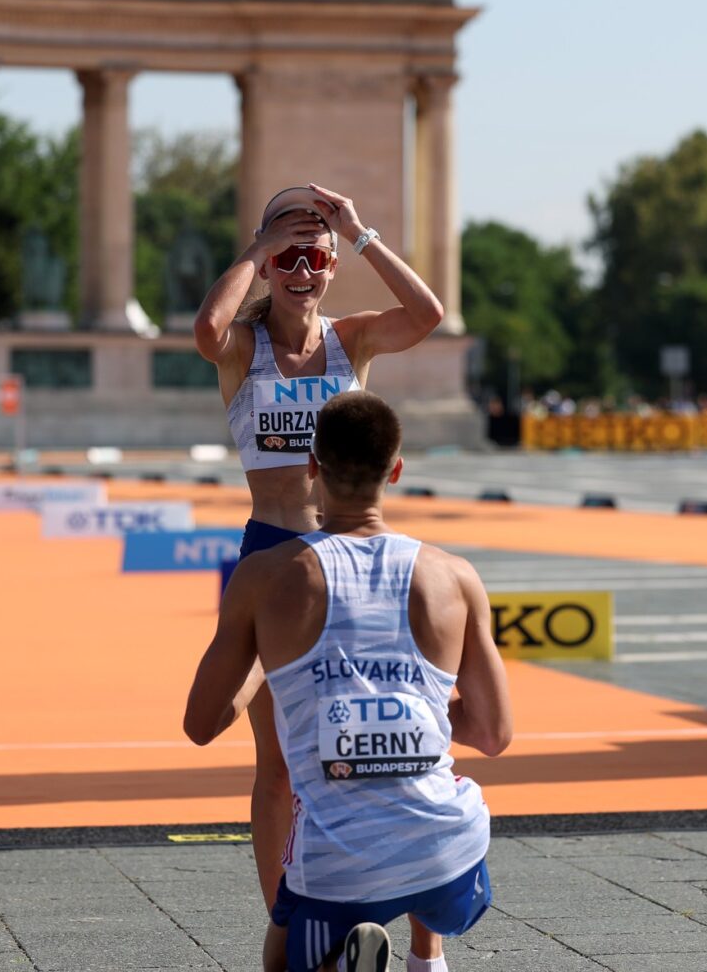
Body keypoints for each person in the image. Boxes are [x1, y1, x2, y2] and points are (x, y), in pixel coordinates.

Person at [184, 391, 512, 972]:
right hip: (451, 857)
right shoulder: (456, 577)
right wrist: (412, 705)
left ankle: (336, 957)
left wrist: (271, 656)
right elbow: (492, 733)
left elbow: (201, 725)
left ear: (312, 466)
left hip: (338, 865)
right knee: (428, 845)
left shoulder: (265, 578)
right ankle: (426, 959)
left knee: (282, 959)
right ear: (397, 470)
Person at [192, 184, 445, 917]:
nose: (302, 270)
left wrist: (360, 234)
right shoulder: (246, 347)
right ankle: (286, 919)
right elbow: (207, 330)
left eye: (316, 257)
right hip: (274, 554)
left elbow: (427, 316)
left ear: (332, 268)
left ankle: (376, 903)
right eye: (288, 257)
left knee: (363, 751)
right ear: (269, 268)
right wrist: (256, 245)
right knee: (277, 768)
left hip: (351, 558)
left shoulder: (353, 338)